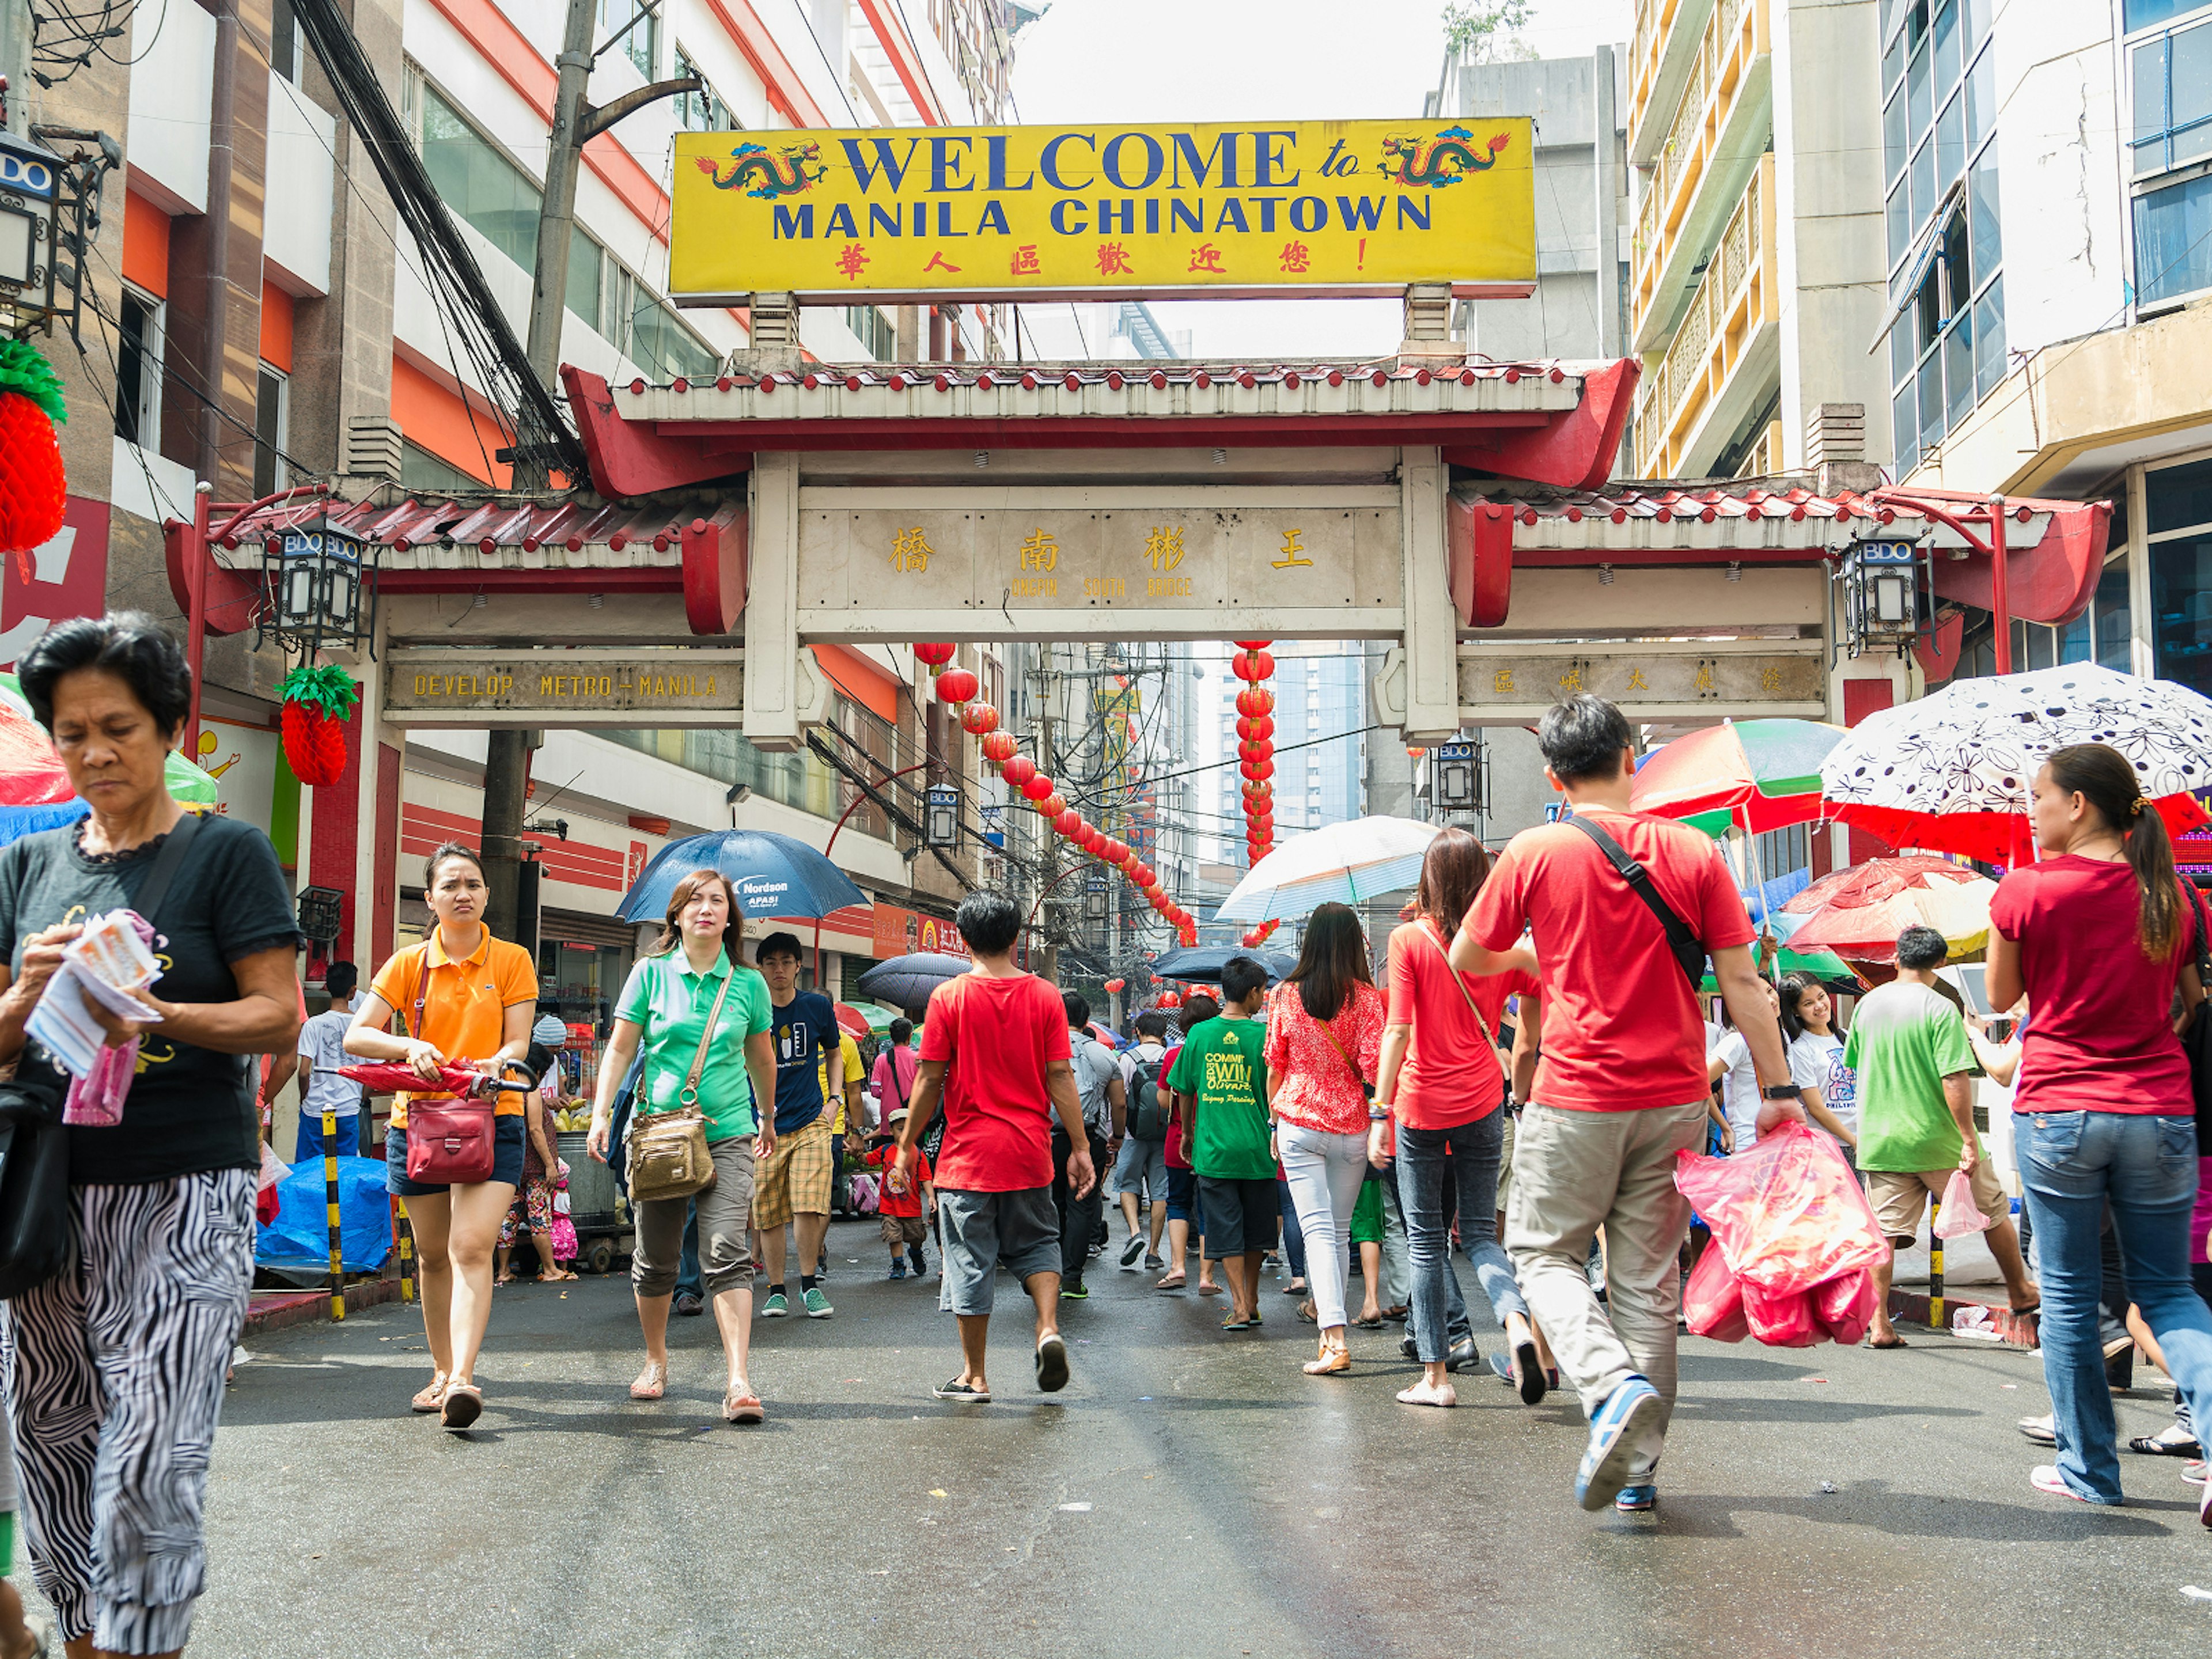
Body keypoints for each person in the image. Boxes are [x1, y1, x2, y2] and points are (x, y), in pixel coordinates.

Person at [0, 614, 301, 1653]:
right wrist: (27, 996)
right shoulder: (30, 866)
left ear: (170, 726)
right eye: (72, 731)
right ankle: (82, 1636)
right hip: (47, 1191)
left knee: (151, 1454)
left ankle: (141, 1642)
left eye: (117, 726)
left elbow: (277, 1016)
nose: (94, 751)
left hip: (185, 1188)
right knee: (52, 1435)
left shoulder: (228, 854)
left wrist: (154, 1013)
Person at [1451, 694, 1783, 1514]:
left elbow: (1469, 954)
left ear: (1553, 774)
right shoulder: (1696, 851)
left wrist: (1545, 948)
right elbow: (1744, 983)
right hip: (1675, 1096)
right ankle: (1639, 1470)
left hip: (1576, 1093)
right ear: (1632, 755)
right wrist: (1777, 1092)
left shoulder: (1535, 849)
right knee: (1645, 1284)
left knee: (1543, 1255)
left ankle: (1609, 1388)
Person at [1986, 743, 2209, 1514]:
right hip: (2160, 1112)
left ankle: (2091, 1473)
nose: (2032, 809)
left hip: (2061, 1113)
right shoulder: (2174, 897)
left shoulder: (2026, 889)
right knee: (2171, 1295)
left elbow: (2003, 992)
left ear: (2077, 805)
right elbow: (2188, 1004)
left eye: (2038, 796)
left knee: (2074, 1299)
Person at [348, 842, 538, 1430]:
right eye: (451, 885)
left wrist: (489, 1067)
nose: (463, 894)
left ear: (485, 895)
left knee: (472, 1247)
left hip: (494, 1117)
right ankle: (440, 1370)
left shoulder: (512, 960)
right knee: (431, 1257)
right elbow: (358, 1037)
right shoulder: (408, 964)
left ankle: (462, 1378)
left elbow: (518, 1045)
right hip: (420, 1126)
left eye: (473, 884)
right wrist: (411, 1045)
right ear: (429, 899)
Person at [587, 869, 778, 1420]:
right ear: (675, 914)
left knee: (726, 1251)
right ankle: (655, 1359)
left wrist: (766, 1117)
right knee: (656, 1260)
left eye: (717, 900)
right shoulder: (649, 974)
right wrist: (601, 1114)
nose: (706, 909)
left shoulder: (747, 983)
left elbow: (760, 1058)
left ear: (729, 917)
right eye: (695, 900)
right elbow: (621, 1052)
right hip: (661, 1135)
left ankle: (739, 1380)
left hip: (729, 1135)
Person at [887, 891, 1091, 1402]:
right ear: (1017, 937)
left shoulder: (949, 998)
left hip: (967, 1159)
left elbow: (930, 1079)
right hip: (1029, 1152)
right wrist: (1081, 1147)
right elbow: (1060, 1075)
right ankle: (1047, 1328)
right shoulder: (1046, 996)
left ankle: (974, 1377)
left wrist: (907, 1145)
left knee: (970, 1262)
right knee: (1040, 1244)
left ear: (963, 939)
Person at [1374, 826, 1546, 1408]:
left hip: (1420, 1106)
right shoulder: (1504, 946)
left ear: (1429, 879)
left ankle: (1436, 1379)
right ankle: (1517, 1326)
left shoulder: (1407, 941)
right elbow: (1537, 1009)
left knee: (1426, 1244)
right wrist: (1520, 1080)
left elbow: (1397, 1028)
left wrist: (1379, 1108)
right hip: (1484, 1102)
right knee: (1479, 1235)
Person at [1849, 924, 2039, 1351]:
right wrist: (1969, 1138)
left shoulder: (1866, 1006)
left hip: (1882, 1138)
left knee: (1884, 1234)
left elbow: (1858, 1063)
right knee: (1992, 1213)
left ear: (1896, 960)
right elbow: (1954, 1078)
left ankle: (1879, 1324)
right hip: (1939, 1140)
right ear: (1941, 964)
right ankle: (2020, 1291)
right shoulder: (1940, 1009)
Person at [1263, 902, 1388, 1377]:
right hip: (1353, 1124)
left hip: (1298, 1119)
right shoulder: (1367, 998)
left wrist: (1274, 1122)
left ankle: (1333, 1337)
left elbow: (1275, 1063)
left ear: (1309, 941)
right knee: (1337, 1232)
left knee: (1317, 1229)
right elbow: (1375, 1068)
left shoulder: (1284, 995)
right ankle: (1330, 1330)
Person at [1169, 957, 1275, 1332]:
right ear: (1251, 993)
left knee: (1227, 1230)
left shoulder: (1199, 1035)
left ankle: (1239, 1305)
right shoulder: (1264, 1037)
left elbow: (1183, 1088)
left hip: (1214, 1151)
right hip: (1258, 1150)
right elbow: (1274, 1092)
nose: (1263, 999)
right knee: (1256, 1233)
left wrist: (1187, 1132)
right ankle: (1254, 1299)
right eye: (1262, 992)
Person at [751, 931, 845, 1319]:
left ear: (798, 967)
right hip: (763, 1125)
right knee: (770, 1210)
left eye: (786, 962)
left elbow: (835, 1053)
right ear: (760, 968)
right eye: (771, 962)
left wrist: (834, 1101)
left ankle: (808, 1285)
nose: (779, 970)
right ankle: (776, 1290)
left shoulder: (816, 1008)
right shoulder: (751, 1012)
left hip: (810, 1122)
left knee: (808, 1204)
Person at [1710, 979, 1858, 1153]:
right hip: (1749, 1145)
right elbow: (1701, 1082)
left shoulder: (1785, 1041)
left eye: (1770, 991)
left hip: (1783, 1145)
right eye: (1759, 997)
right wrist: (1725, 1127)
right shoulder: (1738, 1041)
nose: (1771, 1000)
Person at [1055, 992, 1126, 1300]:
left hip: (1047, 1136)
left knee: (1050, 1204)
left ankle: (1048, 1272)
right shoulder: (1103, 1054)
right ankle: (1072, 1277)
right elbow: (1120, 1104)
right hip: (1089, 1138)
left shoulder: (1041, 1049)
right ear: (1086, 1020)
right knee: (1082, 1206)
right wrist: (1118, 1136)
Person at [496, 1044, 577, 1286]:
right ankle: (551, 1269)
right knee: (540, 1217)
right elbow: (535, 1129)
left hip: (514, 1165)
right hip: (535, 1168)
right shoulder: (529, 1090)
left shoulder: (508, 1088)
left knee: (509, 1217)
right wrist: (550, 1165)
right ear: (539, 1070)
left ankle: (503, 1271)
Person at [1156, 997, 1221, 1293]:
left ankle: (1177, 1268)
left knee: (1178, 1202)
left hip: (1178, 1138)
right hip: (1213, 1139)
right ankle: (1207, 1278)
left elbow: (1161, 1099)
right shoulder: (1221, 1055)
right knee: (1209, 1206)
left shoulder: (1174, 1056)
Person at [1112, 1012, 1173, 1271]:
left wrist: (1117, 1134)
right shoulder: (1171, 1057)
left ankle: (1135, 1232)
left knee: (1128, 1183)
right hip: (1164, 1134)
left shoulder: (1128, 1059)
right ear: (1164, 1032)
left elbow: (1121, 1100)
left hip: (1133, 1134)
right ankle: (1154, 1251)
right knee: (1160, 1190)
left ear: (1137, 1031)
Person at [294, 961, 369, 1158]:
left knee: (310, 1170)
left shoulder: (313, 1025)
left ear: (327, 987)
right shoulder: (364, 1029)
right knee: (346, 1169)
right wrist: (359, 1098)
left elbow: (304, 1072)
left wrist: (304, 1098)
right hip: (348, 1110)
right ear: (353, 991)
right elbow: (374, 1073)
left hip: (315, 1110)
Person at [868, 1108, 935, 1278]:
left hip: (912, 1208)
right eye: (900, 1128)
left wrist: (932, 1197)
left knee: (916, 1237)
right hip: (890, 1207)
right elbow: (868, 1160)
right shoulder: (885, 1151)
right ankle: (898, 1265)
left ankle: (916, 1255)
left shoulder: (919, 1154)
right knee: (893, 1236)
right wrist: (857, 1152)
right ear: (890, 1131)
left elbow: (926, 1178)